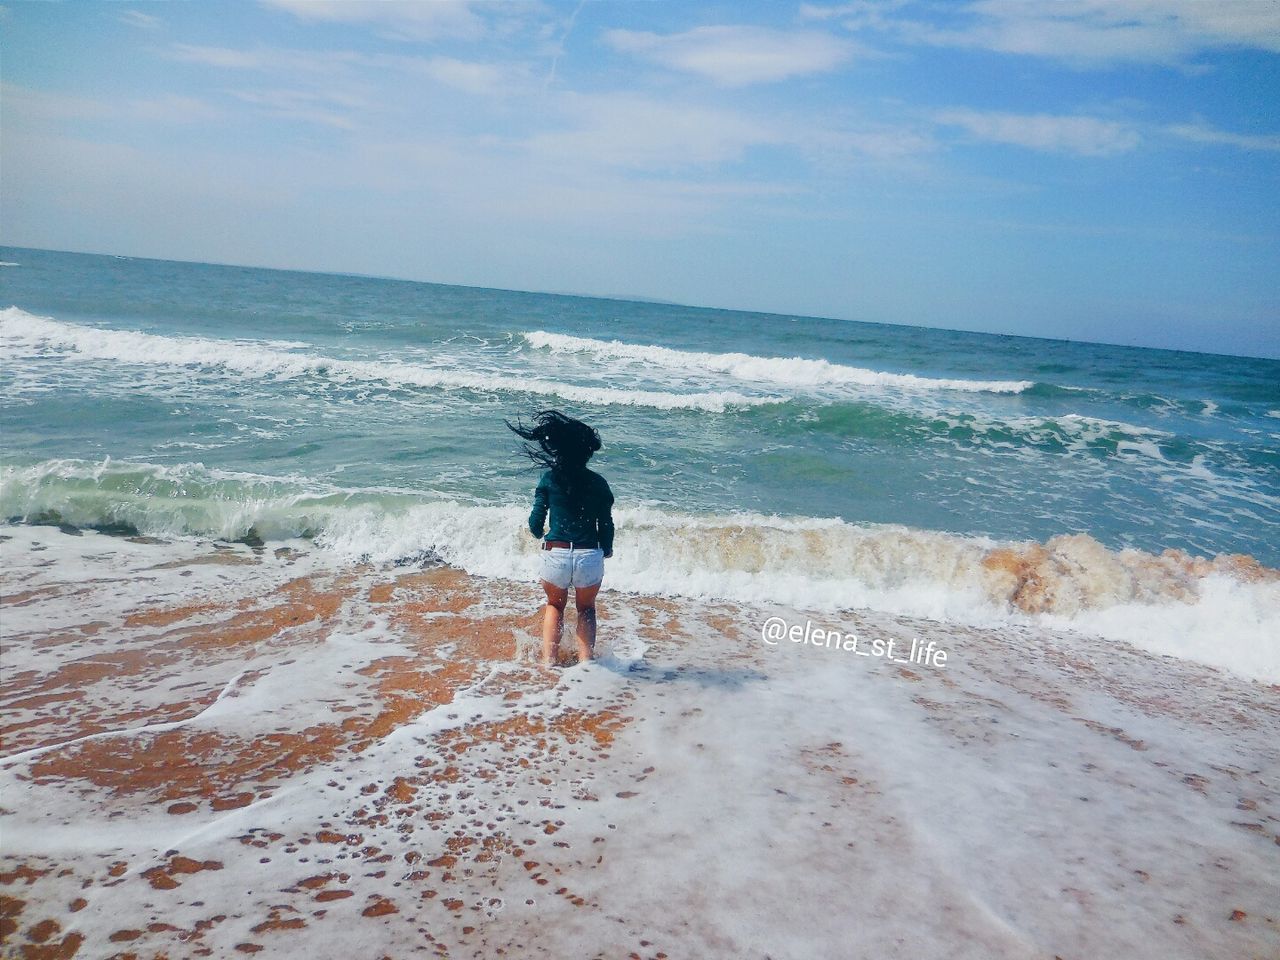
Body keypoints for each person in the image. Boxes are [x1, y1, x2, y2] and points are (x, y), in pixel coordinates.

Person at [506, 410, 615, 668]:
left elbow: (535, 523)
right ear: (587, 453)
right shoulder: (599, 483)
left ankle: (549, 661)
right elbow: (606, 523)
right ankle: (587, 662)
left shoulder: (550, 479)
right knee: (586, 609)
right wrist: (606, 548)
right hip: (589, 556)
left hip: (556, 553)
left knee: (555, 606)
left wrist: (538, 534)